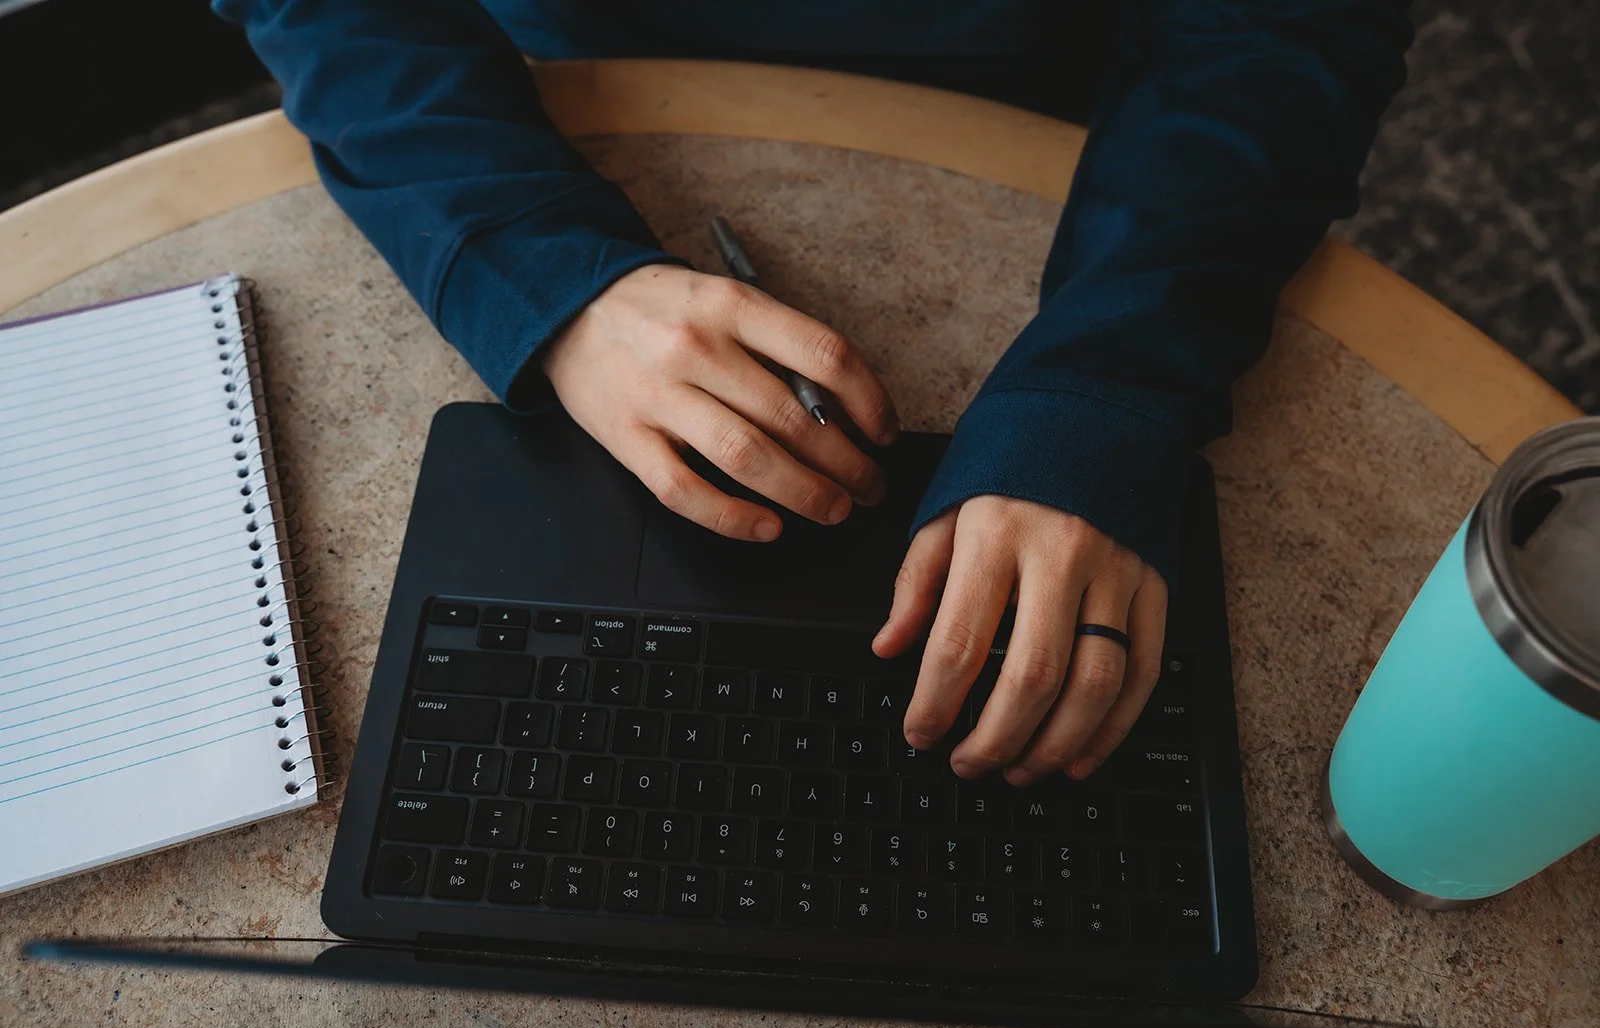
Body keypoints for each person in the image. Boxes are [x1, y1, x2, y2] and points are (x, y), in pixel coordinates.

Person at [216, 1, 1412, 787]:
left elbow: (1285, 26)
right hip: (553, 76)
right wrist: (539, 265)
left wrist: (1112, 377)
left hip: (1068, 91)